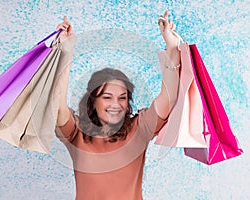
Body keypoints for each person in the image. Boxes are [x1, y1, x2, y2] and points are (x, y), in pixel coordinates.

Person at [55, 10, 181, 200]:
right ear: (93, 101)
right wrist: (65, 52)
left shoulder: (139, 128)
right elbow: (56, 106)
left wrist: (172, 48)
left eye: (122, 97)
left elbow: (169, 98)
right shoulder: (76, 132)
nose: (116, 104)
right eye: (107, 97)